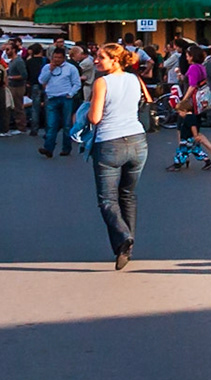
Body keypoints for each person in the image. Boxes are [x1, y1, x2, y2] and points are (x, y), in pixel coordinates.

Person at [87, 44, 149, 269]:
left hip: (110, 143)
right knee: (128, 195)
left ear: (114, 60)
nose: (96, 60)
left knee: (107, 200)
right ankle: (127, 247)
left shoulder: (101, 83)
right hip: (137, 141)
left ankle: (123, 237)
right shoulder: (134, 79)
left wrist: (84, 111)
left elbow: (94, 118)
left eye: (100, 57)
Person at [169, 44, 211, 170]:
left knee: (182, 129)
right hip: (200, 103)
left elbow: (192, 86)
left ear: (192, 56)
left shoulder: (192, 68)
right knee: (194, 132)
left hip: (191, 104)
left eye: (187, 56)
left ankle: (183, 158)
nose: (186, 58)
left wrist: (183, 100)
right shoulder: (201, 67)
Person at [37, 46, 81, 158]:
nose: (56, 60)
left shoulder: (71, 68)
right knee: (51, 125)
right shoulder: (47, 67)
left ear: (64, 58)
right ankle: (48, 148)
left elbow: (77, 83)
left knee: (66, 125)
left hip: (65, 98)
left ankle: (66, 148)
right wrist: (50, 70)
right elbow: (41, 80)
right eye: (55, 57)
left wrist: (70, 93)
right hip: (51, 98)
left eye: (59, 58)